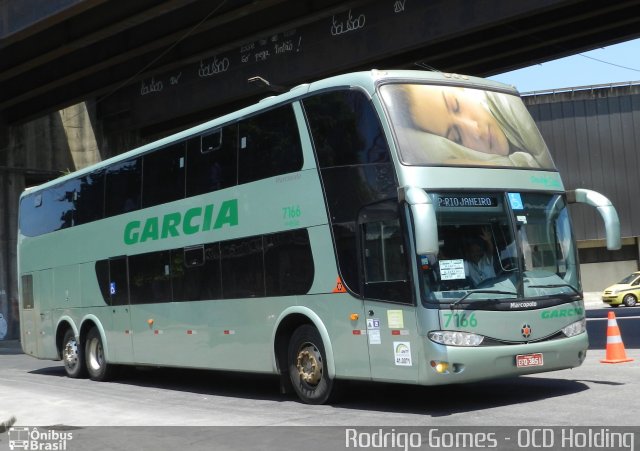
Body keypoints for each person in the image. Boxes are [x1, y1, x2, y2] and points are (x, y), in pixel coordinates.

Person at [380, 83, 555, 169]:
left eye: (456, 105)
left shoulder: (505, 101)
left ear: (463, 90)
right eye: (456, 136)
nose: (475, 130)